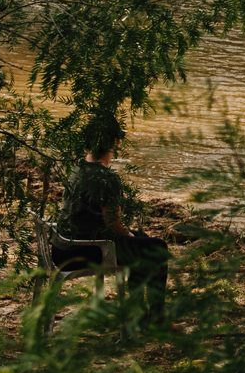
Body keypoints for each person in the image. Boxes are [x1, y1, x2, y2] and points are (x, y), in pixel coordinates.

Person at [52, 124, 170, 320]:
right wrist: (128, 234)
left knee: (142, 239)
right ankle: (155, 318)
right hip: (86, 252)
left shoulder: (77, 169)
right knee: (158, 247)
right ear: (114, 144)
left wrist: (132, 235)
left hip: (61, 248)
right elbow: (113, 224)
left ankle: (138, 313)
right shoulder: (106, 178)